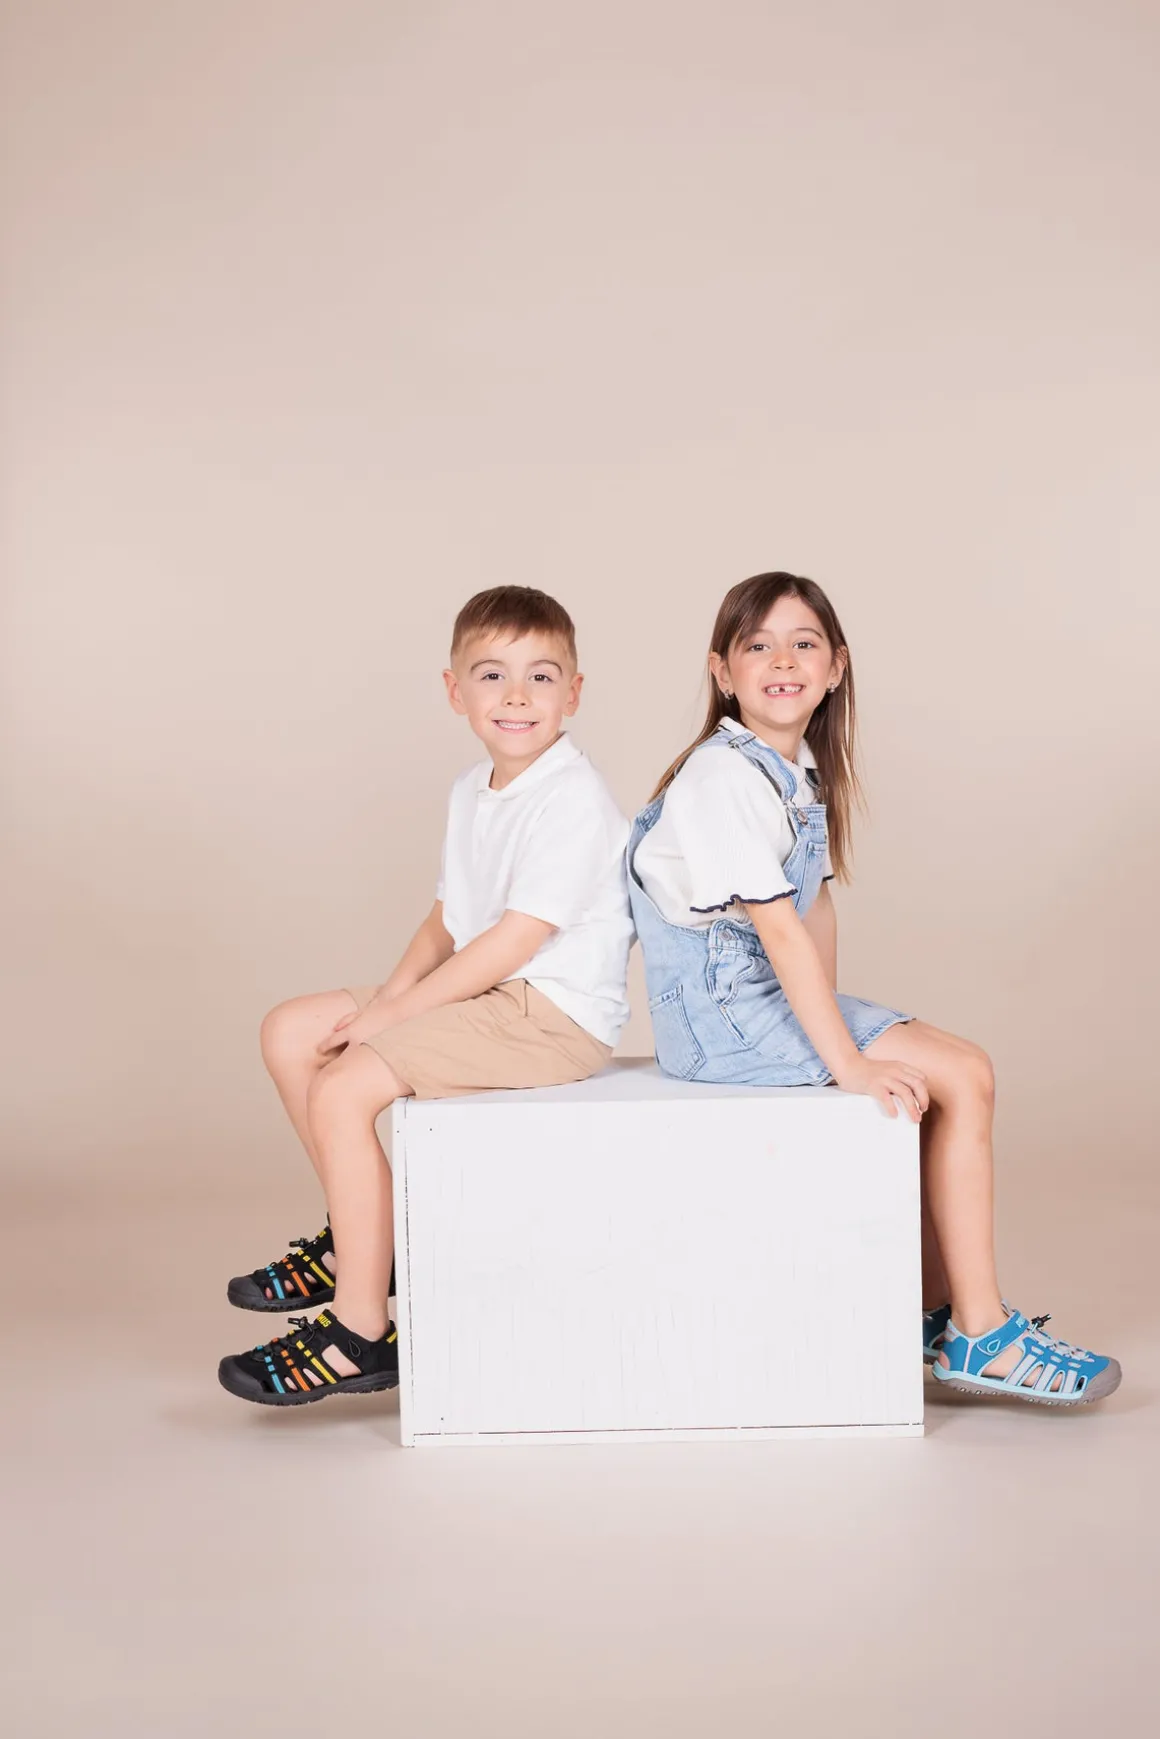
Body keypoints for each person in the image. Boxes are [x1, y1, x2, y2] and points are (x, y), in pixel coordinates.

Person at [629, 571, 1120, 1406]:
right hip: (720, 1018)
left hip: (754, 1000)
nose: (783, 661)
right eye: (758, 645)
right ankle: (981, 1334)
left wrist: (837, 1022)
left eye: (804, 644)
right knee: (965, 1073)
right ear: (722, 671)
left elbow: (813, 911)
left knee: (952, 1071)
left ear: (837, 666)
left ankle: (935, 1312)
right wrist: (847, 1060)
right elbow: (778, 931)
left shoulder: (795, 768)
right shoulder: (721, 777)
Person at [219, 586, 633, 1405]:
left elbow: (513, 942)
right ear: (455, 691)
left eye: (542, 676)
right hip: (485, 992)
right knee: (291, 1032)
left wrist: (391, 1017)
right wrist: (387, 998)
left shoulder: (573, 799)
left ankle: (359, 1333)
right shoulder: (471, 789)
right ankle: (358, 1243)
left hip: (548, 1014)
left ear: (574, 692)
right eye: (492, 674)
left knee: (344, 1089)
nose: (517, 696)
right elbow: (448, 919)